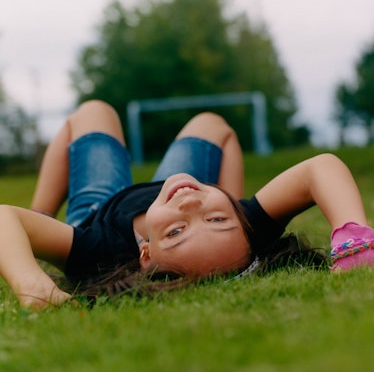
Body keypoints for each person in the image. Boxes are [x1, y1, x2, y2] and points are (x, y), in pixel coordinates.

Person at [0, 100, 373, 309]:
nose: (191, 208)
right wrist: (353, 243)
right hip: (169, 186)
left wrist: (34, 284)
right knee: (214, 124)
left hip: (97, 212)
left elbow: (3, 218)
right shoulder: (239, 223)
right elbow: (319, 169)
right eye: (215, 218)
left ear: (146, 253)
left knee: (93, 113)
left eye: (177, 232)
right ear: (241, 220)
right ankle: (209, 205)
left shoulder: (98, 251)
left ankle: (42, 215)